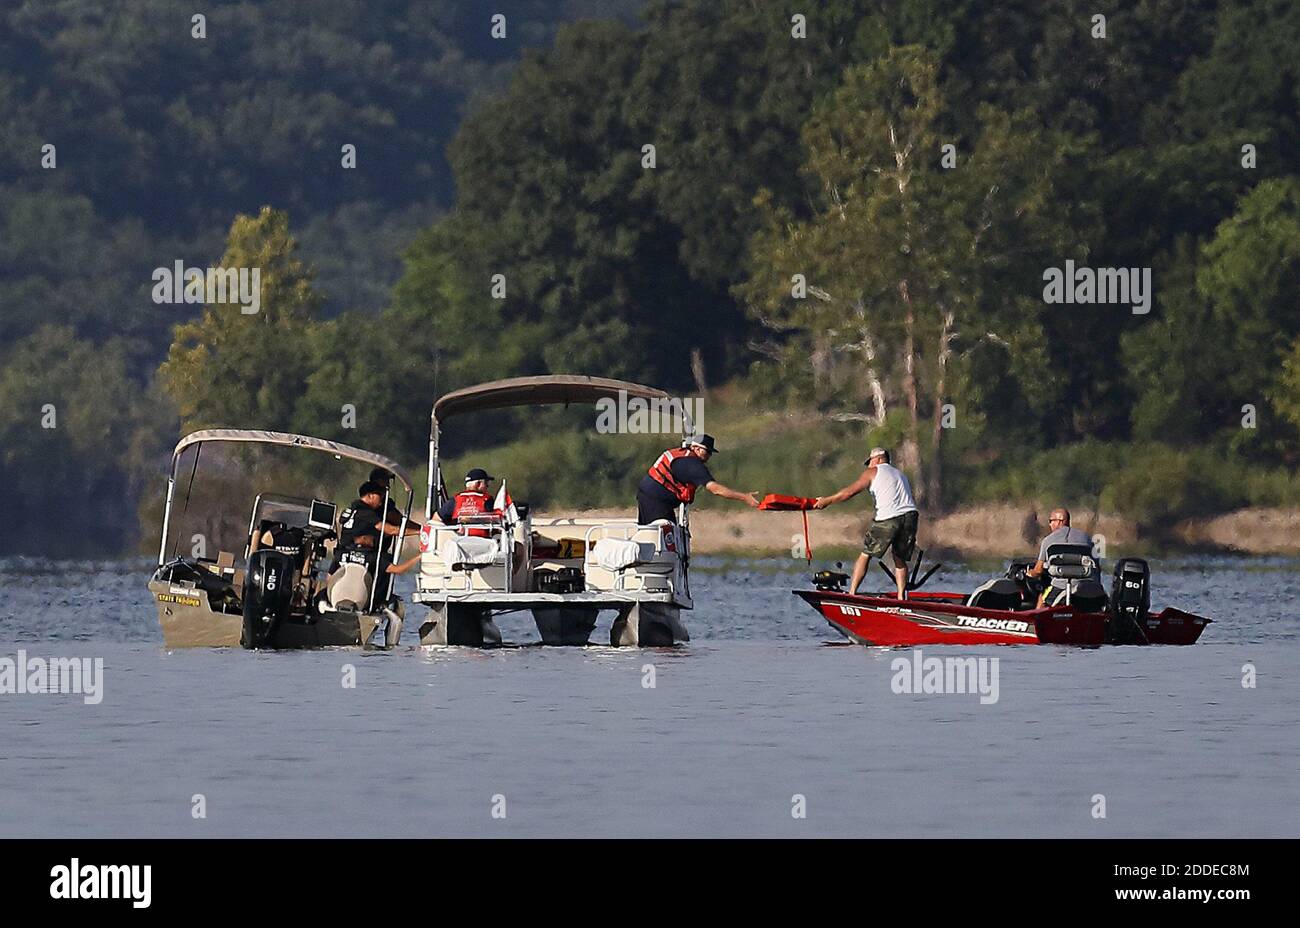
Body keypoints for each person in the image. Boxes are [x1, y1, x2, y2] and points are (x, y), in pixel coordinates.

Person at [813, 447, 919, 600]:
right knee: (899, 558)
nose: (869, 465)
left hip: (888, 518)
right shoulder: (900, 474)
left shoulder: (873, 472)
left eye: (870, 462)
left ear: (878, 459)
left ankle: (852, 594)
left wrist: (826, 501)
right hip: (911, 516)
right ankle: (902, 597)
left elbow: (849, 492)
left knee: (866, 554)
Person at [635, 434, 760, 524]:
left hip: (646, 494)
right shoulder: (692, 465)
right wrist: (744, 497)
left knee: (651, 532)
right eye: (707, 451)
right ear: (697, 448)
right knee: (665, 535)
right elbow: (715, 489)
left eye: (711, 453)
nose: (709, 456)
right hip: (656, 500)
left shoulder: (681, 454)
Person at [1027, 507, 1093, 605]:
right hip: (1083, 587)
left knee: (1042, 597)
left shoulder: (1048, 540)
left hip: (1060, 587)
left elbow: (1038, 570)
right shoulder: (1086, 539)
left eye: (1051, 521)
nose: (1050, 524)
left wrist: (1029, 573)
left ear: (1059, 521)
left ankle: (1035, 620)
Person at [438, 468, 501, 537]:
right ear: (478, 484)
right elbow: (497, 520)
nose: (487, 486)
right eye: (486, 483)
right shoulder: (487, 500)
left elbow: (436, 519)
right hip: (483, 542)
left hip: (459, 541)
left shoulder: (455, 500)